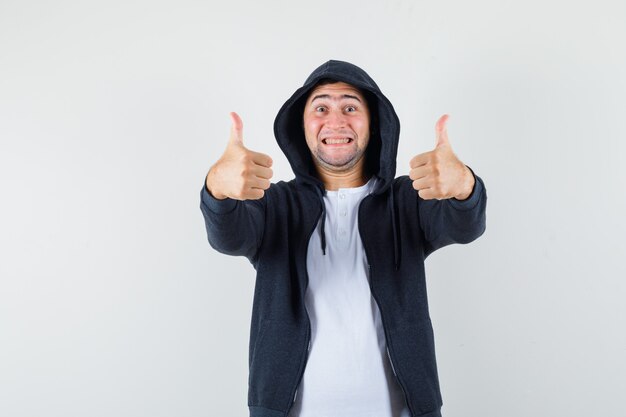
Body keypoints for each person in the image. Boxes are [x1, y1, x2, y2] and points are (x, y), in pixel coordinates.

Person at [200, 60, 487, 417]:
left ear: (373, 124)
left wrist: (465, 187)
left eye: (350, 107)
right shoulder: (274, 205)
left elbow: (465, 225)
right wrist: (218, 190)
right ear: (301, 127)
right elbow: (227, 235)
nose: (336, 121)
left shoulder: (407, 201)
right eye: (321, 107)